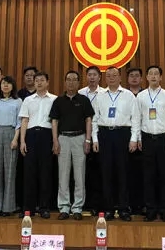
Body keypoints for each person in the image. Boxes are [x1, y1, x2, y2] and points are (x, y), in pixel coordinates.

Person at [92, 67, 140, 221]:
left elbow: (135, 118)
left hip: (123, 134)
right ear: (105, 78)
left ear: (120, 77)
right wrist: (95, 139)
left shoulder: (128, 95)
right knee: (106, 173)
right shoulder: (100, 96)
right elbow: (94, 119)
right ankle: (108, 209)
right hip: (104, 135)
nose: (111, 78)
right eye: (108, 76)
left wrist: (134, 138)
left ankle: (124, 209)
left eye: (114, 75)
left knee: (123, 173)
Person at [136, 65, 165, 222]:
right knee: (148, 177)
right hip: (147, 138)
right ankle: (150, 209)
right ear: (147, 77)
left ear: (161, 77)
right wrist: (138, 138)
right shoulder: (141, 96)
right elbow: (137, 118)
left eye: (156, 74)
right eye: (151, 74)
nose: (154, 76)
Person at [50, 70, 94, 220]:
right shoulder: (58, 101)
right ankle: (64, 207)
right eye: (68, 79)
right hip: (63, 138)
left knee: (79, 175)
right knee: (63, 175)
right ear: (65, 82)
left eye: (74, 79)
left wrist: (88, 140)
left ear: (78, 82)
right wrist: (55, 141)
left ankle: (77, 208)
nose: (71, 82)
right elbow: (54, 122)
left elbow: (88, 120)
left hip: (79, 138)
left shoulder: (84, 100)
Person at [19, 71, 57, 218]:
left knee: (45, 173)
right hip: (31, 135)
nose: (39, 83)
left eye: (42, 80)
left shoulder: (54, 99)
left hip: (47, 135)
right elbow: (24, 120)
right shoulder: (28, 100)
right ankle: (28, 208)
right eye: (37, 81)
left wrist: (55, 141)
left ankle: (44, 207)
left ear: (47, 82)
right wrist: (22, 141)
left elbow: (55, 122)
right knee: (29, 173)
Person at [0, 75, 22, 216]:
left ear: (13, 86)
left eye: (8, 83)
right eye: (3, 83)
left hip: (11, 133)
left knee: (10, 171)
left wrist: (15, 139)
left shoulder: (18, 101)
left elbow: (19, 122)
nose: (5, 85)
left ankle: (8, 207)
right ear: (0, 86)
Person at [79, 65, 105, 215]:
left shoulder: (105, 93)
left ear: (99, 77)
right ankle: (84, 203)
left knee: (97, 171)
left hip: (99, 135)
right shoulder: (81, 93)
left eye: (95, 75)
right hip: (81, 134)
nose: (92, 77)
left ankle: (97, 204)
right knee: (83, 171)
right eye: (89, 75)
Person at [16, 66, 38, 211]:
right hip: (21, 136)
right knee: (22, 171)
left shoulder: (41, 93)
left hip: (38, 136)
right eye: (27, 75)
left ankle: (37, 203)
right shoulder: (18, 95)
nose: (30, 77)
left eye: (32, 75)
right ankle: (22, 203)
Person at [126, 67, 145, 215]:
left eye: (137, 75)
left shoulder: (146, 95)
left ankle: (143, 204)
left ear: (141, 78)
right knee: (129, 173)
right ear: (127, 79)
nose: (134, 78)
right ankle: (130, 204)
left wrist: (140, 137)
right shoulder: (124, 95)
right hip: (129, 138)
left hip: (145, 138)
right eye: (131, 75)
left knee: (144, 173)